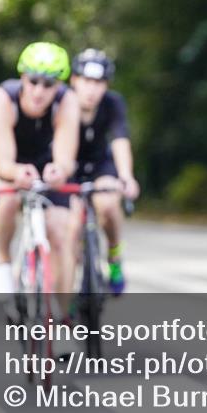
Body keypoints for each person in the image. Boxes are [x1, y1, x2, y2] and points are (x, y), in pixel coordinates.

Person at [0, 42, 80, 317]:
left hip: (44, 160)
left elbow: (65, 156)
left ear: (58, 85)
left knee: (60, 230)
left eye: (48, 84)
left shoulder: (66, 101)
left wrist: (59, 170)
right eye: (33, 81)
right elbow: (3, 164)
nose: (39, 91)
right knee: (8, 200)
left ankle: (62, 317)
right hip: (6, 159)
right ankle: (3, 262)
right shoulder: (3, 98)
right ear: (22, 77)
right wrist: (16, 174)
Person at [67, 49, 140, 295]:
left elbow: (120, 139)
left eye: (98, 83)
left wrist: (126, 176)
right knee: (70, 224)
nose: (91, 89)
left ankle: (114, 256)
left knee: (108, 204)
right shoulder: (62, 102)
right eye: (86, 81)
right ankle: (70, 284)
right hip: (68, 166)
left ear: (105, 86)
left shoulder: (112, 103)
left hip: (100, 165)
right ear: (74, 80)